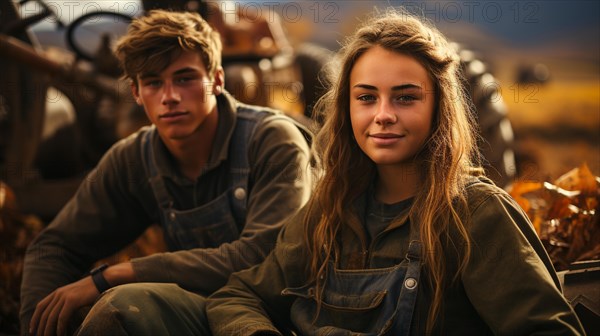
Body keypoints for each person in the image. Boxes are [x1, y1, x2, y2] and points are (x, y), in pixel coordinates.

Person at [206, 8, 585, 335]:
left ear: (439, 108)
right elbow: (239, 295)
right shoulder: (331, 209)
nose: (383, 115)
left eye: (406, 97)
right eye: (367, 97)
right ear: (347, 109)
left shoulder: (475, 214)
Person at [20, 9, 312, 336]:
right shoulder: (134, 158)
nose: (169, 97)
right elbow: (54, 248)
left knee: (122, 303)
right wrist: (40, 322)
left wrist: (115, 275)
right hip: (204, 307)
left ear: (216, 79)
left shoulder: (270, 139)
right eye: (153, 83)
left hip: (290, 309)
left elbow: (261, 258)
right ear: (135, 92)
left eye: (185, 79)